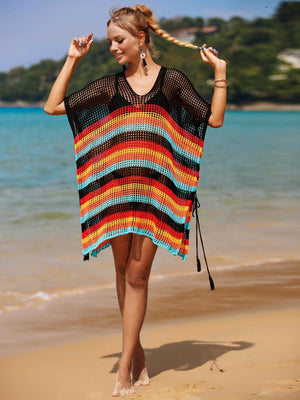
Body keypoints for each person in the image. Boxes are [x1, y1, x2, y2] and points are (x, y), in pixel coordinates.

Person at [44, 4, 227, 397]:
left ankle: (125, 366)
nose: (113, 48)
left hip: (155, 197)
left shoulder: (172, 82)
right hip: (113, 194)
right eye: (110, 41)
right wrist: (73, 60)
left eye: (119, 40)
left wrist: (220, 75)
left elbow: (211, 120)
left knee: (137, 277)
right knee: (121, 275)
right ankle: (138, 351)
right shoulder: (109, 87)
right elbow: (53, 106)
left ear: (141, 39)